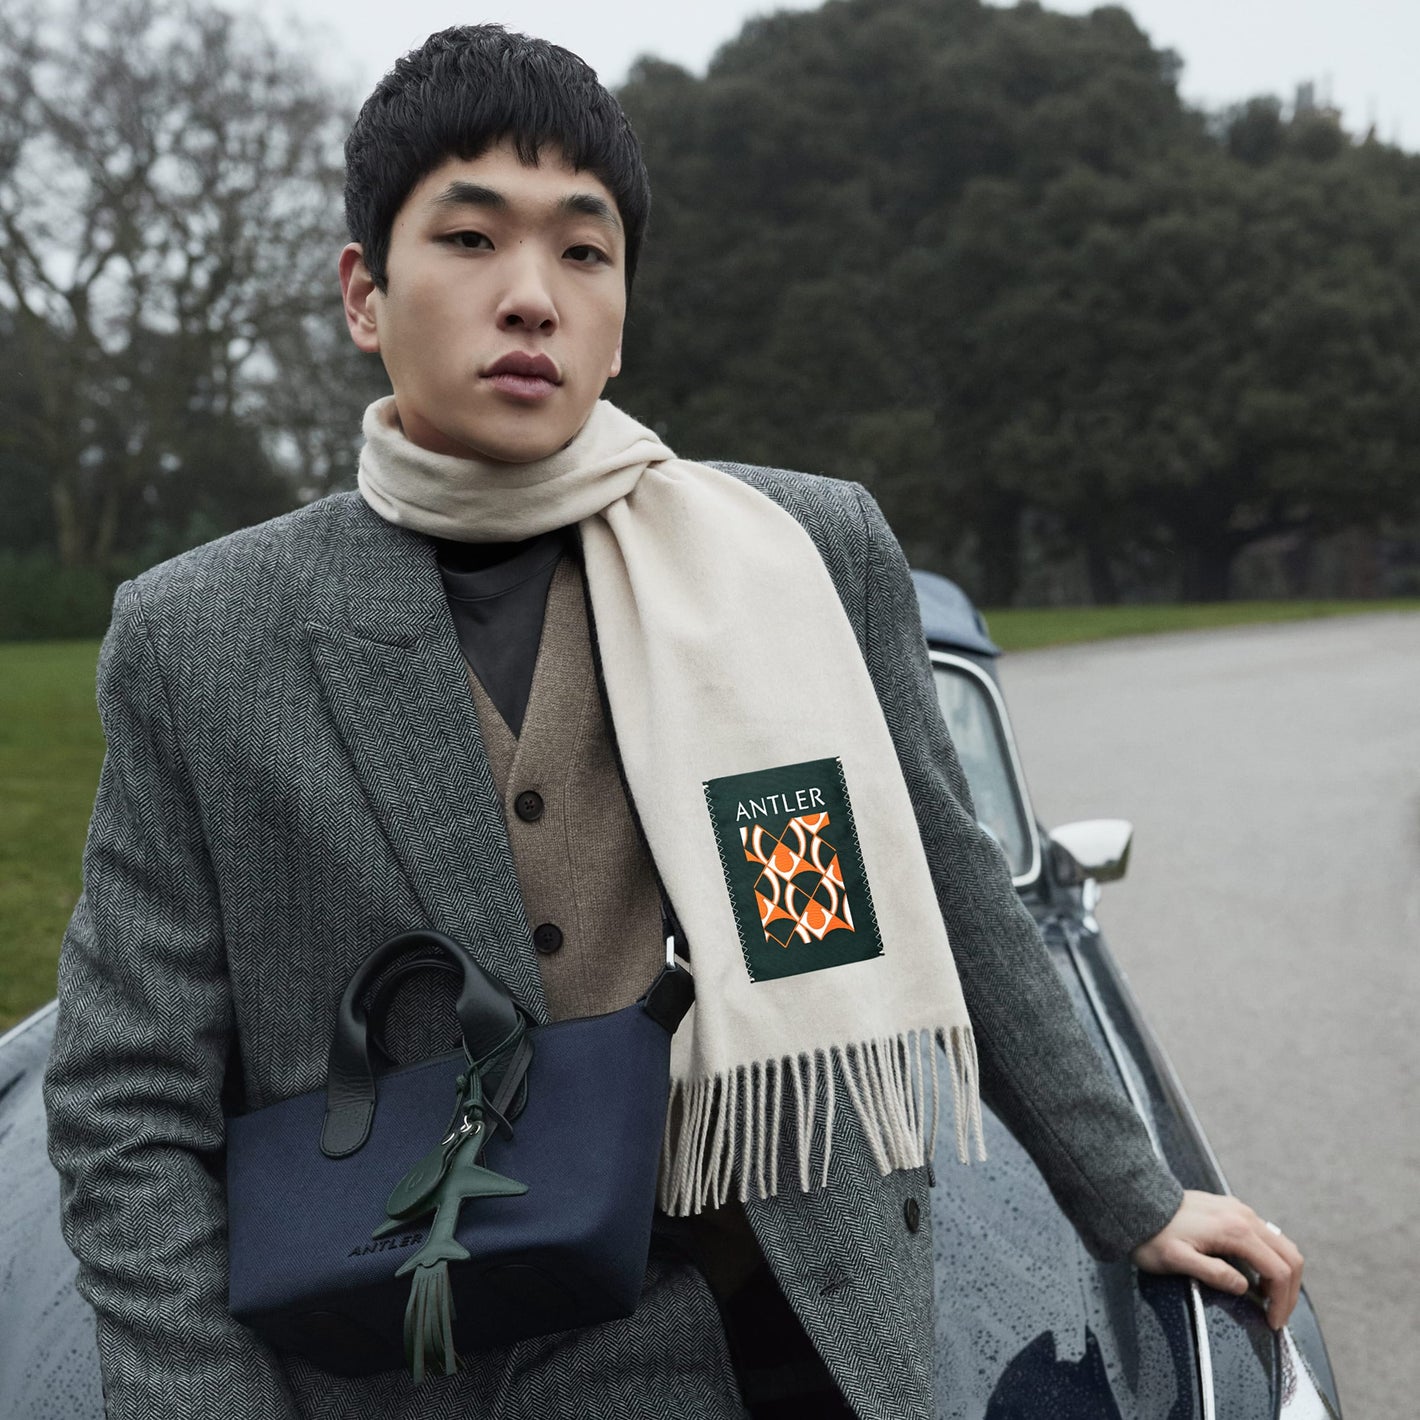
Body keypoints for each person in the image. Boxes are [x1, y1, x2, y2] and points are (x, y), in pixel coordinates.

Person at [44, 24, 1303, 1420]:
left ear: (624, 306)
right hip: (429, 1365)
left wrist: (1134, 1196)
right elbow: (126, 1101)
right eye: (470, 241)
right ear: (363, 292)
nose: (533, 297)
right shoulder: (202, 637)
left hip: (799, 1332)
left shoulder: (802, 553)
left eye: (583, 252)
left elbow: (949, 891)